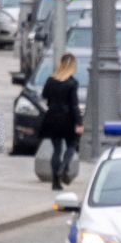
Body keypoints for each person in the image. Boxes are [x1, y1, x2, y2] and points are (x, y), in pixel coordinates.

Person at [39, 51, 81, 190]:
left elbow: (44, 95)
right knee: (72, 144)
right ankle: (63, 167)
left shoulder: (51, 80)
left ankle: (55, 183)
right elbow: (74, 105)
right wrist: (79, 123)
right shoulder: (72, 83)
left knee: (56, 150)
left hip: (52, 117)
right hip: (67, 118)